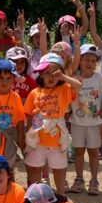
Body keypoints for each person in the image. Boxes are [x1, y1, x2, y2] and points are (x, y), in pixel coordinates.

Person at [24, 53, 81, 194]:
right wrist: (27, 136)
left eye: (55, 73)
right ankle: (36, 195)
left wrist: (63, 77)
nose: (51, 77)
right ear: (41, 74)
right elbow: (29, 115)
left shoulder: (64, 89)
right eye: (47, 73)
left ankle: (61, 195)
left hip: (57, 140)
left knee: (59, 170)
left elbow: (78, 86)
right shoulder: (34, 92)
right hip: (38, 140)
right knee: (35, 169)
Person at [68, 43, 102, 195]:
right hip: (77, 122)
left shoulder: (100, 78)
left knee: (93, 152)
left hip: (94, 123)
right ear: (80, 61)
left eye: (93, 60)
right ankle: (79, 179)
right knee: (78, 152)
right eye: (86, 60)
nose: (89, 63)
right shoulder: (74, 78)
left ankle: (94, 180)